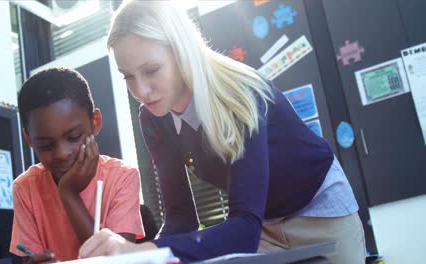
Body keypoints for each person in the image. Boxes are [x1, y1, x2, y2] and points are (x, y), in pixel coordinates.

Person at [79, 1, 366, 263]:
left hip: (320, 213)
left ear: (181, 51)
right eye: (128, 76)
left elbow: (242, 231)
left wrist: (140, 251)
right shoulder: (153, 119)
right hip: (262, 225)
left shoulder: (241, 94)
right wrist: (141, 258)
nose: (140, 90)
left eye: (151, 70)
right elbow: (181, 219)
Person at [10, 67, 144, 263]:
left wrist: (68, 193)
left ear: (95, 122)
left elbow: (114, 261)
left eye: (74, 137)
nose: (62, 153)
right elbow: (30, 258)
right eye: (46, 145)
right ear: (29, 140)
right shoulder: (25, 188)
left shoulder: (122, 177)